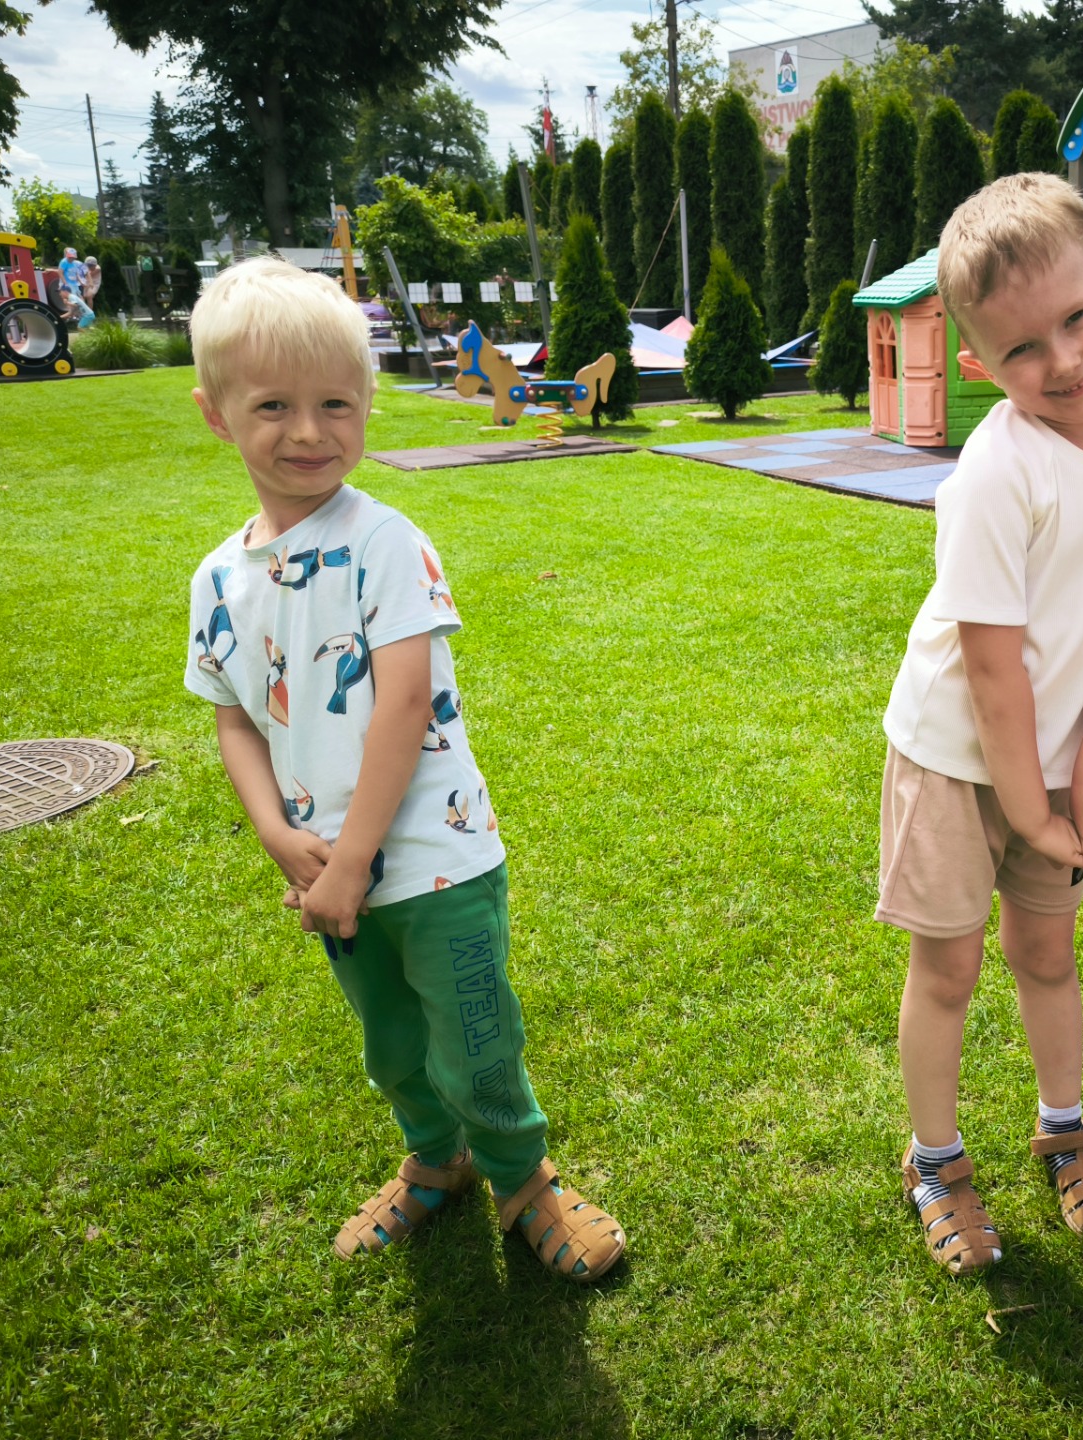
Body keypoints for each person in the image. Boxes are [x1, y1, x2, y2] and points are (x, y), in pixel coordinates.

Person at [181, 258, 626, 1279]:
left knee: (475, 1040)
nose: (309, 431)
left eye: (336, 404)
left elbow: (405, 704)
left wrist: (352, 863)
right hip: (325, 872)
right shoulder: (217, 578)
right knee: (390, 1043)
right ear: (215, 414)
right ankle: (436, 1158)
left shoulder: (385, 543)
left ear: (368, 404)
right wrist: (280, 838)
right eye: (273, 406)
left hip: (434, 863)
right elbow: (234, 719)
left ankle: (521, 1176)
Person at [878, 173, 1083, 1272]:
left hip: (1052, 765)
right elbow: (992, 668)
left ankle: (1064, 1129)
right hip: (954, 757)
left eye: (1078, 318)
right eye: (1020, 349)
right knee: (950, 970)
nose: (1061, 361)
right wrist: (1035, 811)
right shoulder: (997, 470)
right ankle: (935, 1161)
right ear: (978, 368)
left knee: (1047, 953)